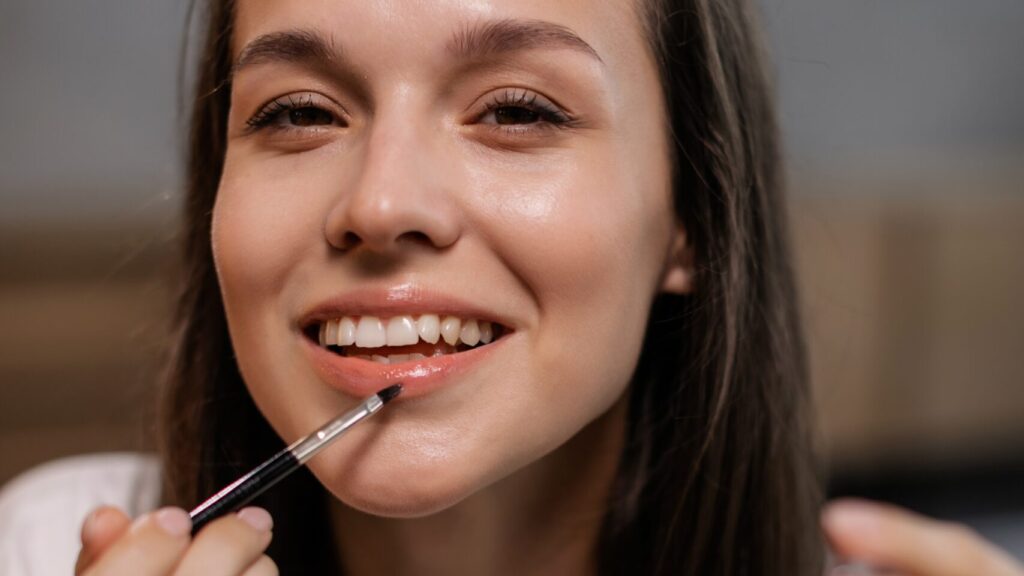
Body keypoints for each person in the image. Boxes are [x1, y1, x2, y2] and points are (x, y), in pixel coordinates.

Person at [1, 0, 1021, 574]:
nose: (381, 199)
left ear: (691, 221)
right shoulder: (49, 546)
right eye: (299, 112)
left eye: (519, 110)